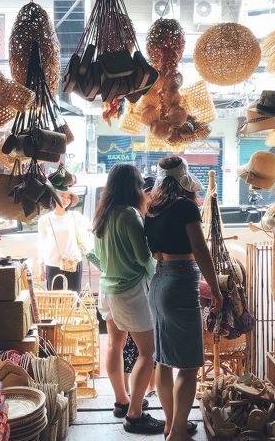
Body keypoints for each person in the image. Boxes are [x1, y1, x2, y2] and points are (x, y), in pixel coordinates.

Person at [145, 156, 223, 441]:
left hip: (158, 282)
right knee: (189, 365)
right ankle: (178, 432)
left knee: (163, 361)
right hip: (180, 283)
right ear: (184, 177)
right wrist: (215, 288)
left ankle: (171, 423)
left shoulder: (152, 207)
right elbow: (201, 251)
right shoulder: (186, 206)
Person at [93, 164, 165, 435]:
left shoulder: (103, 214)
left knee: (115, 344)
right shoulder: (130, 215)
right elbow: (143, 258)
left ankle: (122, 401)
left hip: (108, 289)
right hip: (130, 291)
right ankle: (135, 415)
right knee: (148, 352)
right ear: (134, 186)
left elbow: (97, 257)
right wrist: (159, 274)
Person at [122, 177, 157, 397]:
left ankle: (149, 388)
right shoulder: (134, 216)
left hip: (143, 288)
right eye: (149, 194)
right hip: (138, 287)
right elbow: (144, 257)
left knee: (147, 348)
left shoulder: (149, 217)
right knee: (138, 348)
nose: (151, 199)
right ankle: (132, 395)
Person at [37, 187, 91, 293]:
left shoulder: (75, 216)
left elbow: (91, 228)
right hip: (53, 263)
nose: (65, 199)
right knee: (56, 301)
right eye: (62, 195)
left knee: (74, 299)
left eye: (68, 197)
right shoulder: (44, 220)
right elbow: (41, 244)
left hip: (74, 262)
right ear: (54, 197)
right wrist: (41, 268)